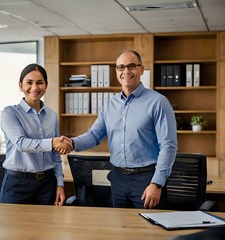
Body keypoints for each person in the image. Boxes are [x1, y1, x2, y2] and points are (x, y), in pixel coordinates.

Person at [57, 50, 177, 209]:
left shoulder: (158, 102)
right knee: (120, 229)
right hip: (118, 179)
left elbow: (168, 146)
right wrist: (71, 143)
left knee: (148, 231)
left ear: (141, 69)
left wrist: (157, 183)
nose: (126, 71)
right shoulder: (110, 104)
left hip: (147, 180)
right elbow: (94, 135)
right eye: (121, 67)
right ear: (116, 71)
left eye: (131, 66)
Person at [0, 63, 73, 206]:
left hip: (47, 184)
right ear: (21, 85)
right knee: (13, 228)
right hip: (17, 185)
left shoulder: (51, 115)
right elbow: (22, 143)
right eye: (29, 82)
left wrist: (60, 184)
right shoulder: (10, 113)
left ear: (46, 86)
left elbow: (55, 155)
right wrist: (52, 142)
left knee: (46, 228)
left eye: (39, 82)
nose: (34, 87)